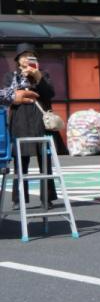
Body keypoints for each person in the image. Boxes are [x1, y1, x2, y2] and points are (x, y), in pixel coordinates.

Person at [1, 44, 58, 205]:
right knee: (21, 160)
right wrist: (23, 78)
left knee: (44, 160)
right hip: (20, 119)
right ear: (18, 59)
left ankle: (47, 198)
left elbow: (50, 94)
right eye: (23, 55)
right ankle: (19, 198)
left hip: (40, 118)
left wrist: (37, 77)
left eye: (30, 55)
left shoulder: (43, 74)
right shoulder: (10, 75)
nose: (26, 58)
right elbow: (8, 95)